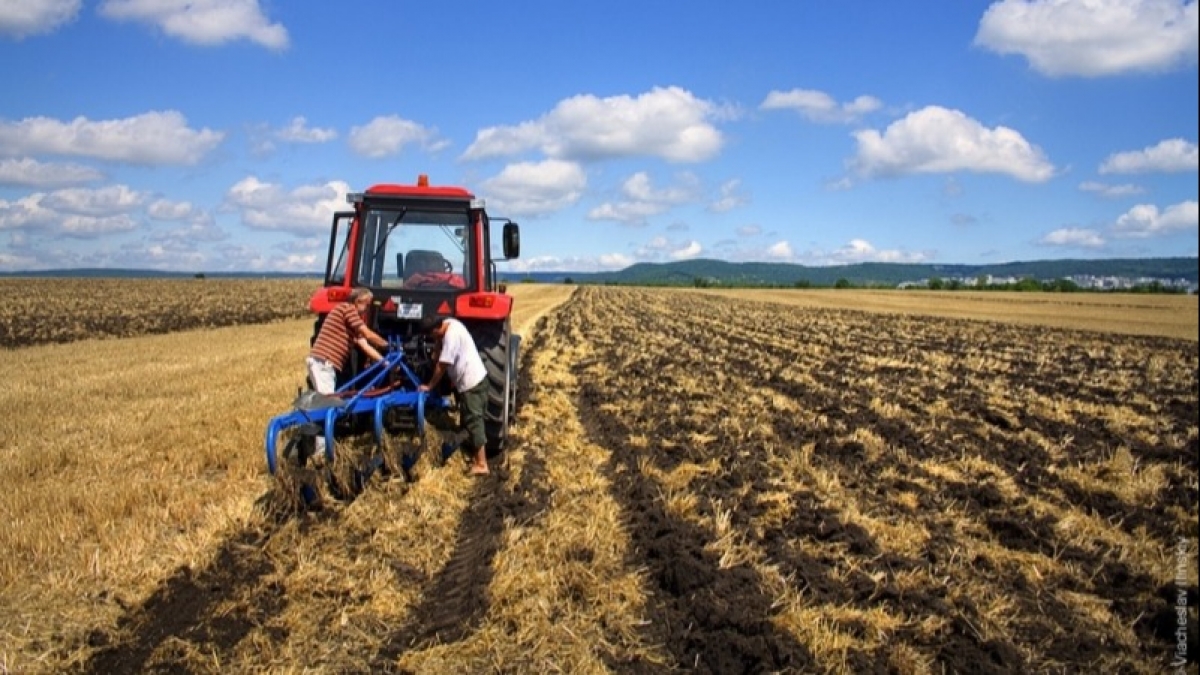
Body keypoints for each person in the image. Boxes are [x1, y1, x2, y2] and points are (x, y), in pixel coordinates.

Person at [304, 287, 389, 462]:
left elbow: (364, 344)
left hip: (326, 365)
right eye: (367, 304)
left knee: (327, 403)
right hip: (323, 362)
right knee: (326, 406)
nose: (368, 308)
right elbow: (366, 334)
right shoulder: (346, 309)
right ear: (358, 302)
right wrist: (387, 345)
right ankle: (320, 452)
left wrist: (386, 362)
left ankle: (321, 447)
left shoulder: (350, 320)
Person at [418, 315, 490, 475]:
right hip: (471, 382)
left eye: (432, 335)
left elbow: (442, 366)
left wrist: (429, 386)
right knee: (468, 419)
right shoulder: (449, 323)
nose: (433, 338)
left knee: (473, 420)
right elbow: (439, 343)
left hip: (472, 383)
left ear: (437, 329)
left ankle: (482, 464)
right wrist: (436, 349)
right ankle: (474, 455)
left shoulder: (451, 337)